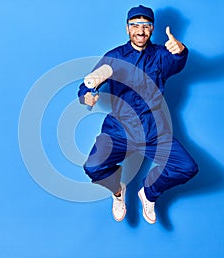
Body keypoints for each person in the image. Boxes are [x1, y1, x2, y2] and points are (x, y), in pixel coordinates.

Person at [77, 5, 198, 223]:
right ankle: (117, 190)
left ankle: (148, 193)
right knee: (93, 167)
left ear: (152, 29)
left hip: (154, 129)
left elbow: (177, 62)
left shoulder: (161, 55)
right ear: (127, 29)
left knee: (187, 167)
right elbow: (87, 84)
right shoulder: (114, 57)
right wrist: (88, 95)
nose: (140, 31)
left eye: (145, 25)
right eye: (135, 25)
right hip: (119, 130)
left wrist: (180, 50)